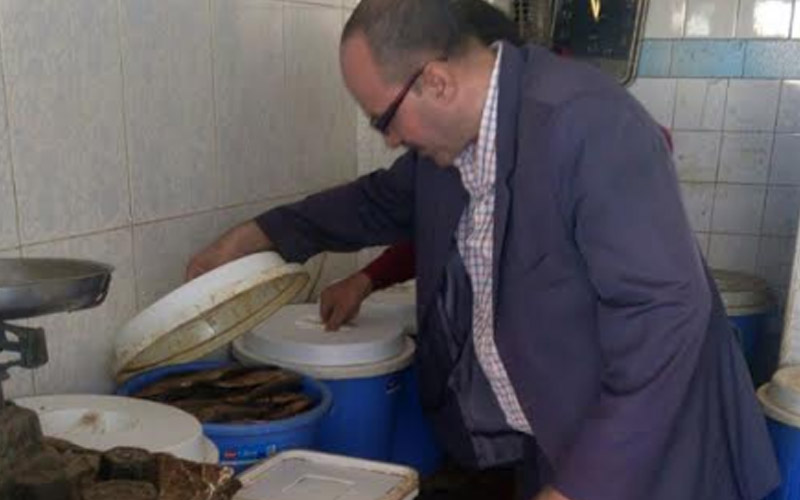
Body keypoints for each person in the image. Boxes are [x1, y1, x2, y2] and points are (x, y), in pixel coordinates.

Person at [187, 1, 780, 499]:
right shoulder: (450, 151)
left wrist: (581, 487)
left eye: (383, 120)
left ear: (436, 82)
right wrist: (254, 235)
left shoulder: (588, 124)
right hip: (558, 441)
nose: (390, 139)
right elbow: (370, 204)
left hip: (658, 454)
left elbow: (666, 320)